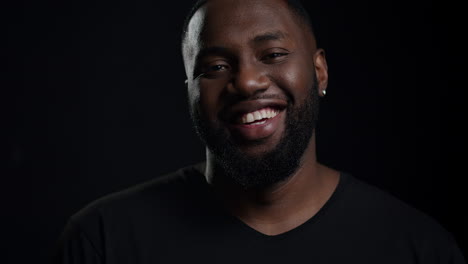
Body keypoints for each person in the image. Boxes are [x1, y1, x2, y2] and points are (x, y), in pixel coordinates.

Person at [54, 0, 466, 263]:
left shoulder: (417, 249)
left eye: (273, 55)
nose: (247, 82)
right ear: (191, 91)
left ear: (319, 70)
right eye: (215, 67)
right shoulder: (104, 243)